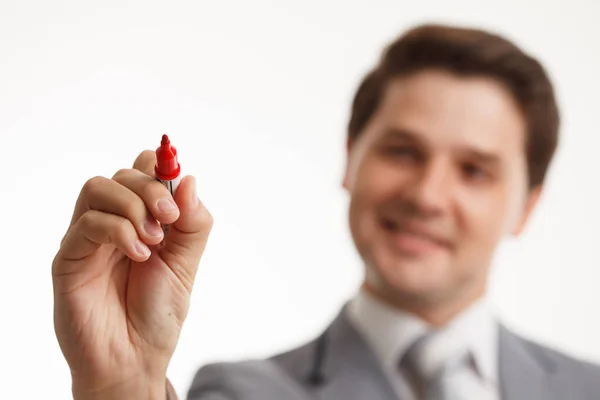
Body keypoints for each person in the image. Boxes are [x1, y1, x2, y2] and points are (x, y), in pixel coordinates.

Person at [52, 23, 600, 400]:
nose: (428, 195)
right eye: (402, 152)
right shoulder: (241, 393)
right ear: (350, 161)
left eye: (475, 171)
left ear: (526, 208)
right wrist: (123, 385)